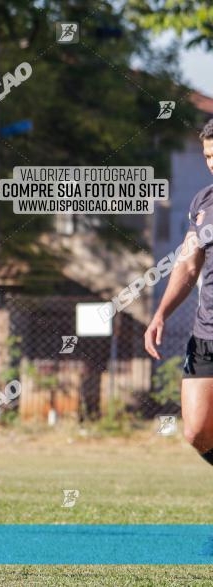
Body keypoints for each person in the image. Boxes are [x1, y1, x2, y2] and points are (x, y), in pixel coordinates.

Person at [145, 118, 213, 469]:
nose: (212, 163)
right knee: (196, 431)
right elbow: (187, 266)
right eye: (207, 155)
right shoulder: (203, 203)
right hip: (207, 335)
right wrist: (160, 314)